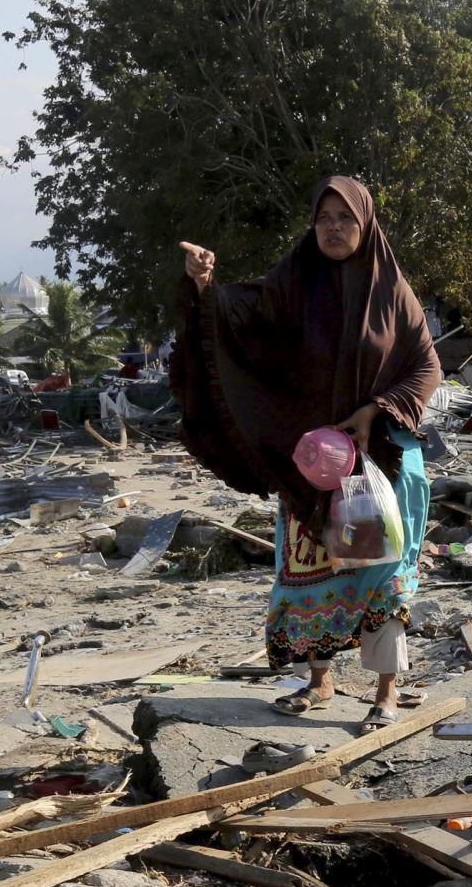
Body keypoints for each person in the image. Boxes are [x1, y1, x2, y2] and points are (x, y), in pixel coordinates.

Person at [170, 177, 439, 728]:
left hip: (381, 459)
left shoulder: (391, 291)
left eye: (346, 218)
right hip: (317, 463)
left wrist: (375, 410)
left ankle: (386, 693)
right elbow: (239, 319)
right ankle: (320, 682)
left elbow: (426, 367)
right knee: (312, 570)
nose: (334, 228)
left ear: (365, 225)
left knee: (382, 571)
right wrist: (205, 284)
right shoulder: (293, 283)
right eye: (324, 219)